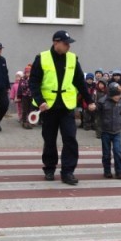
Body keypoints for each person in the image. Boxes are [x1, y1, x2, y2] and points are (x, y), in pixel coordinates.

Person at [29, 30, 96, 186]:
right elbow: (34, 83)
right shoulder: (42, 58)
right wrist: (40, 101)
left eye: (69, 44)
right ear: (55, 42)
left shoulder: (72, 59)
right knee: (50, 140)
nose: (68, 47)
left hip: (66, 107)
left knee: (70, 139)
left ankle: (68, 172)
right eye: (66, 44)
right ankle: (49, 168)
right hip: (48, 107)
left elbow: (80, 81)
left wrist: (89, 101)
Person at [97, 82, 121, 179]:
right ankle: (107, 171)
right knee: (106, 154)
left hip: (117, 131)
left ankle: (119, 171)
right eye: (116, 95)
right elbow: (96, 114)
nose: (118, 97)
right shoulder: (102, 102)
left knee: (118, 152)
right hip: (105, 131)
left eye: (120, 95)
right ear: (111, 94)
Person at [17, 64, 35, 129]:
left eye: (29, 72)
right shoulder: (23, 79)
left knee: (31, 109)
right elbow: (22, 86)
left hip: (32, 96)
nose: (28, 74)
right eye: (27, 72)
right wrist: (28, 80)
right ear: (25, 73)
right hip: (25, 96)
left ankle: (31, 121)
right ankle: (24, 121)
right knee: (25, 109)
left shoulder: (33, 78)